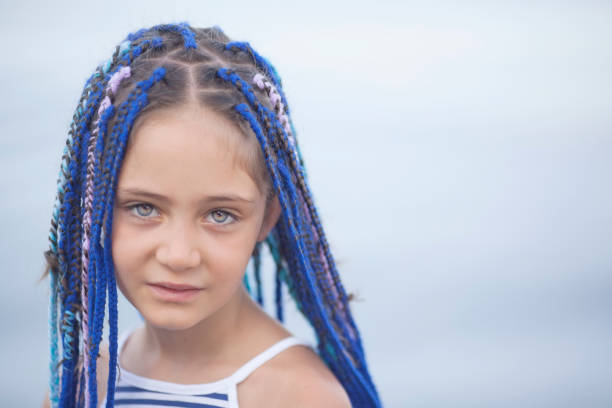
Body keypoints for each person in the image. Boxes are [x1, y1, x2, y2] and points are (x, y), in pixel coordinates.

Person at [42, 23, 382, 408]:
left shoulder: (296, 395)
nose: (178, 255)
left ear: (268, 217)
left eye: (219, 214)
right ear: (95, 209)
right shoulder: (87, 378)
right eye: (144, 208)